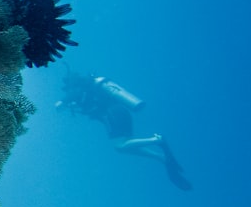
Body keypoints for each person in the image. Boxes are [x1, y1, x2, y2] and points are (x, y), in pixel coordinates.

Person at [58, 70, 191, 191]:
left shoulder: (76, 89)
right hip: (121, 111)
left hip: (111, 115)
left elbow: (63, 102)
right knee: (127, 144)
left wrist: (61, 103)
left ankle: (157, 140)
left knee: (120, 146)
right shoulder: (89, 88)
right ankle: (161, 158)